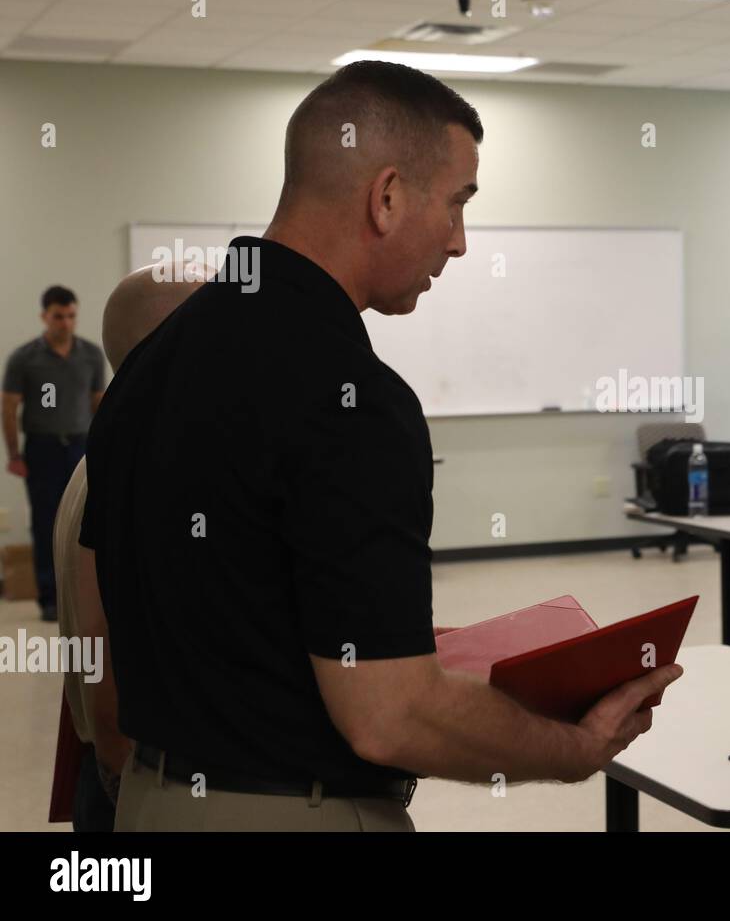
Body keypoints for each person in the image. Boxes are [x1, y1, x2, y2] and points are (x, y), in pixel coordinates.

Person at [78, 60, 681, 832]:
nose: (460, 243)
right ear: (387, 196)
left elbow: (140, 630)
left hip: (150, 804)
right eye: (457, 204)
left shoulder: (149, 364)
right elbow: (389, 718)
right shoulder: (353, 399)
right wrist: (575, 747)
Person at [53, 263, 209, 832]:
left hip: (114, 773)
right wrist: (123, 781)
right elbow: (107, 651)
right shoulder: (140, 474)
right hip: (131, 778)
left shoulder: (103, 461)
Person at [3, 286, 106, 621]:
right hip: (42, 447)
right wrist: (14, 454)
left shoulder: (90, 354)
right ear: (44, 317)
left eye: (71, 316)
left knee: (85, 521)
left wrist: (105, 448)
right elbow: (9, 406)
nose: (65, 322)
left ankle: (85, 595)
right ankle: (50, 598)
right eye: (58, 316)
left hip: (81, 447)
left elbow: (99, 403)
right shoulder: (25, 357)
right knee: (46, 522)